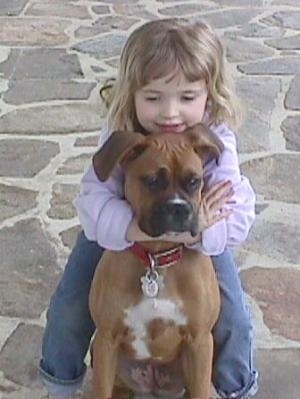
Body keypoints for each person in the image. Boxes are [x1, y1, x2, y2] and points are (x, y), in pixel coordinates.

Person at [39, 18, 258, 399]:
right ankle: (59, 383)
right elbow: (93, 199)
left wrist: (203, 230)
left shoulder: (214, 138)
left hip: (199, 237)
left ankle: (235, 389)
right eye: (153, 98)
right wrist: (131, 230)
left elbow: (236, 206)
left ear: (209, 95)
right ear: (132, 94)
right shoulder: (122, 134)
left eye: (187, 98)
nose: (170, 113)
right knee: (70, 307)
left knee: (234, 318)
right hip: (119, 230)